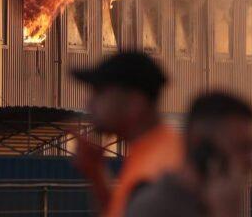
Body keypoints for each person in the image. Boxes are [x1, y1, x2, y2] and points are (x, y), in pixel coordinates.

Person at [71, 52, 183, 217]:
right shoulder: (151, 152)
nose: (89, 102)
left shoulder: (157, 169)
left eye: (100, 92)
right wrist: (96, 175)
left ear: (135, 103)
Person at [125, 91, 252, 217]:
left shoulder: (215, 202)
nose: (251, 161)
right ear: (200, 145)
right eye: (241, 147)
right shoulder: (153, 208)